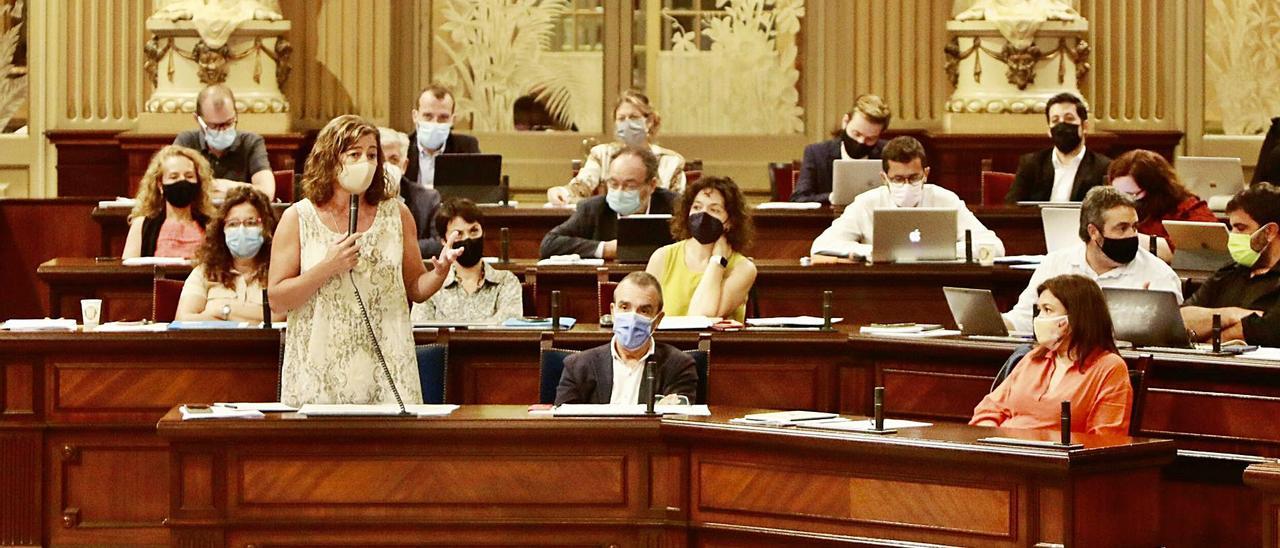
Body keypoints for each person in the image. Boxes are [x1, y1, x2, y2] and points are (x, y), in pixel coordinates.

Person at [269, 115, 463, 407]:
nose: (366, 162)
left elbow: (415, 288)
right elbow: (278, 299)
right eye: (354, 154)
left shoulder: (397, 214)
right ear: (331, 159)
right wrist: (328, 267)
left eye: (372, 155)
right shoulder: (298, 218)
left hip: (387, 364)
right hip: (320, 368)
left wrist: (439, 272)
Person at [1003, 186, 1182, 332]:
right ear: (1093, 232)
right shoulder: (1055, 264)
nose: (1132, 235)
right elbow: (1024, 319)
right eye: (1122, 228)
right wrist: (997, 324)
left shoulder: (1159, 275)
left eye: (1134, 227)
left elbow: (1169, 338)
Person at [972, 274, 1133, 436]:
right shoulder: (1033, 358)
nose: (1040, 318)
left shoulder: (1109, 368)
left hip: (1053, 457)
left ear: (1076, 317)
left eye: (1047, 310)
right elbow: (987, 411)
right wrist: (991, 440)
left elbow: (1105, 439)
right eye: (1039, 310)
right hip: (1004, 452)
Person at [809, 136, 1005, 262]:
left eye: (914, 177)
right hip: (880, 288)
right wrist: (871, 252)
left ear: (926, 174)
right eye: (898, 179)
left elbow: (995, 247)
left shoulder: (946, 199)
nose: (906, 184)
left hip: (937, 284)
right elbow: (822, 246)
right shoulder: (866, 203)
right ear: (884, 178)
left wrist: (944, 252)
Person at [554, 271, 698, 405]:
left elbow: (675, 424)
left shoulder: (679, 366)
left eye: (644, 310)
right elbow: (563, 427)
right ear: (612, 311)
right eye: (624, 307)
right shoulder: (578, 366)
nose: (633, 317)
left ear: (658, 320)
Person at [1180, 183, 1280, 346]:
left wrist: (1207, 336)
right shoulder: (1228, 273)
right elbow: (1181, 319)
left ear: (1269, 232)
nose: (1233, 235)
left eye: (1240, 228)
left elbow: (1268, 331)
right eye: (1231, 227)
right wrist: (1232, 315)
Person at [545, 90, 686, 206]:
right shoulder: (601, 155)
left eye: (633, 117)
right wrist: (561, 192)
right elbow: (581, 187)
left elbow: (680, 205)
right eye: (621, 119)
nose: (627, 123)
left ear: (649, 122)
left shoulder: (671, 161)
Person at [646, 176, 757, 322]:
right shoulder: (662, 257)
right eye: (697, 207)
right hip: (663, 343)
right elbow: (645, 315)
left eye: (714, 210)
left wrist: (717, 262)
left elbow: (701, 317)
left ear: (729, 221)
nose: (703, 215)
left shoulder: (743, 268)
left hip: (711, 345)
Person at [540, 146, 678, 259]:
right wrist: (604, 249)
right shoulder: (593, 208)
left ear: (652, 185)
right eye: (613, 183)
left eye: (629, 186)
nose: (619, 191)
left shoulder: (675, 206)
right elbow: (549, 244)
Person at [176, 186, 285, 322]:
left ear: (267, 228)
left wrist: (222, 310)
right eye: (233, 224)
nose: (241, 230)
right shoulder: (204, 272)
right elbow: (183, 320)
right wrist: (253, 316)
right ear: (222, 230)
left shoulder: (281, 272)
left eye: (251, 223)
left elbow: (281, 315)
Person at [399, 83, 480, 259]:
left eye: (443, 117)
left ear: (452, 119)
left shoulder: (467, 147)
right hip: (414, 225)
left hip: (454, 226)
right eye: (428, 116)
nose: (435, 123)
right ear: (415, 116)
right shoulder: (401, 148)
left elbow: (475, 197)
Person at [410, 198, 523, 324]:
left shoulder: (506, 281)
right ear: (444, 241)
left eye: (474, 231)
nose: (468, 238)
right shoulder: (430, 286)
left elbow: (508, 325)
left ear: (483, 233)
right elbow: (420, 328)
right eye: (458, 234)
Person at [1107, 149, 1217, 262]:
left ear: (1154, 188)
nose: (1121, 200)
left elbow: (1198, 249)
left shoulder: (1188, 208)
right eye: (1116, 194)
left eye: (1130, 194)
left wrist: (1122, 237)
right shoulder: (1112, 207)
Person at [1004, 92, 1111, 203]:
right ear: (1049, 130)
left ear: (1084, 126)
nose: (1061, 126)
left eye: (1069, 119)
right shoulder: (1032, 163)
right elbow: (1012, 206)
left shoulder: (1103, 167)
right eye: (1055, 120)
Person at [173, 84, 275, 199]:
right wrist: (245, 190)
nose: (222, 130)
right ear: (198, 119)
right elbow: (174, 188)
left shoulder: (251, 142)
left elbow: (267, 192)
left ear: (236, 114)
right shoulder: (186, 142)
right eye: (214, 126)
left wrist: (228, 187)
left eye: (228, 123)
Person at [792, 94, 891, 204]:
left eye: (870, 138)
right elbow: (799, 198)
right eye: (856, 134)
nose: (861, 142)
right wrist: (832, 197)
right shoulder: (817, 153)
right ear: (845, 122)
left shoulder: (889, 153)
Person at [123, 145, 216, 259]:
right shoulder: (142, 226)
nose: (182, 180)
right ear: (160, 185)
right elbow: (129, 271)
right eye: (174, 177)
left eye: (189, 176)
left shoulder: (212, 225)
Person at [377, 126, 410, 195]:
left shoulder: (425, 199)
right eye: (379, 159)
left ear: (404, 166)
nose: (385, 167)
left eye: (393, 159)